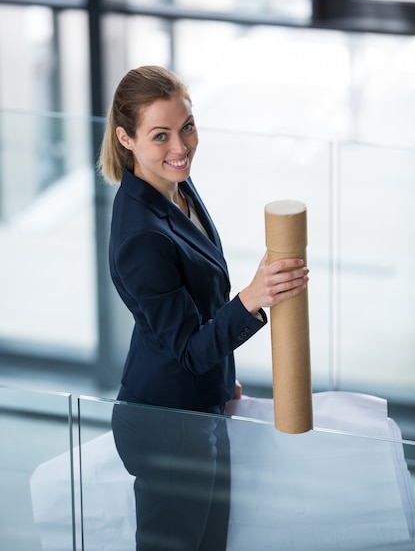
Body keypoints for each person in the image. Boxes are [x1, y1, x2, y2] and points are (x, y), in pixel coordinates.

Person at [98, 65, 309, 550]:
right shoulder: (140, 235)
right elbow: (190, 349)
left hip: (197, 407)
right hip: (163, 426)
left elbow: (194, 313)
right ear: (126, 139)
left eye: (187, 127)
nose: (180, 147)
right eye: (161, 135)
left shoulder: (175, 188)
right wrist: (254, 298)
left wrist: (217, 379)